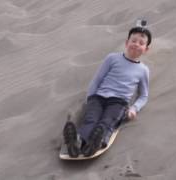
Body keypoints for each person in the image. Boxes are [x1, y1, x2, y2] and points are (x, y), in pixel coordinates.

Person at [63, 24, 152, 158]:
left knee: (107, 121)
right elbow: (97, 79)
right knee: (90, 120)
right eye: (133, 41)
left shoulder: (143, 70)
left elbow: (144, 95)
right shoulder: (112, 58)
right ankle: (77, 141)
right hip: (98, 97)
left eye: (141, 43)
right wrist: (90, 97)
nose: (136, 44)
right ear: (127, 42)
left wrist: (134, 108)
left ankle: (96, 143)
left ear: (146, 49)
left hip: (119, 102)